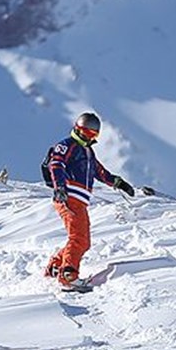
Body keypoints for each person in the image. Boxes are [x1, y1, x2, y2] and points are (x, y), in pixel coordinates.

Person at [41, 111, 135, 289]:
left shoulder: (88, 152)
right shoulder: (67, 145)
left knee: (82, 240)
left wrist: (120, 183)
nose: (89, 137)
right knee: (79, 238)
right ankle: (68, 275)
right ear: (77, 129)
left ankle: (56, 267)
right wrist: (60, 187)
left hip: (79, 200)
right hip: (67, 196)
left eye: (94, 135)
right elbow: (56, 164)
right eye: (86, 133)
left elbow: (101, 173)